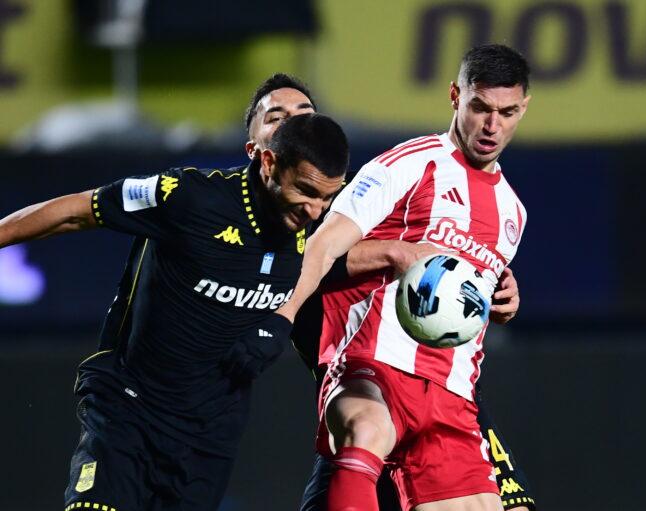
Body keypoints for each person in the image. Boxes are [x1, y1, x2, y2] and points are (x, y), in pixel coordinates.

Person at [0, 93, 349, 510]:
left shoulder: (319, 232)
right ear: (268, 160)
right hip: (128, 411)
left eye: (326, 198)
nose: (315, 210)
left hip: (208, 441)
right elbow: (78, 210)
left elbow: (353, 258)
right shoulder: (188, 195)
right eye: (306, 191)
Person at [276, 44, 533, 511]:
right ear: (455, 96)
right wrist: (397, 252)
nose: (492, 125)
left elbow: (457, 290)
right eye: (480, 107)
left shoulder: (513, 212)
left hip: (453, 395)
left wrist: (499, 298)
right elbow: (320, 247)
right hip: (375, 366)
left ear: (524, 109)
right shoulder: (409, 164)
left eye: (507, 112)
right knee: (365, 430)